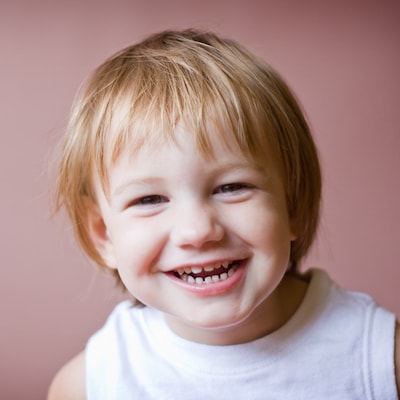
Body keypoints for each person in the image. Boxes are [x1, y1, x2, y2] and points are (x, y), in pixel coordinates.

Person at [48, 29, 399, 399]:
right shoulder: (92, 384)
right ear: (104, 235)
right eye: (149, 199)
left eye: (231, 188)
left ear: (292, 206)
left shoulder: (380, 360)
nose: (197, 231)